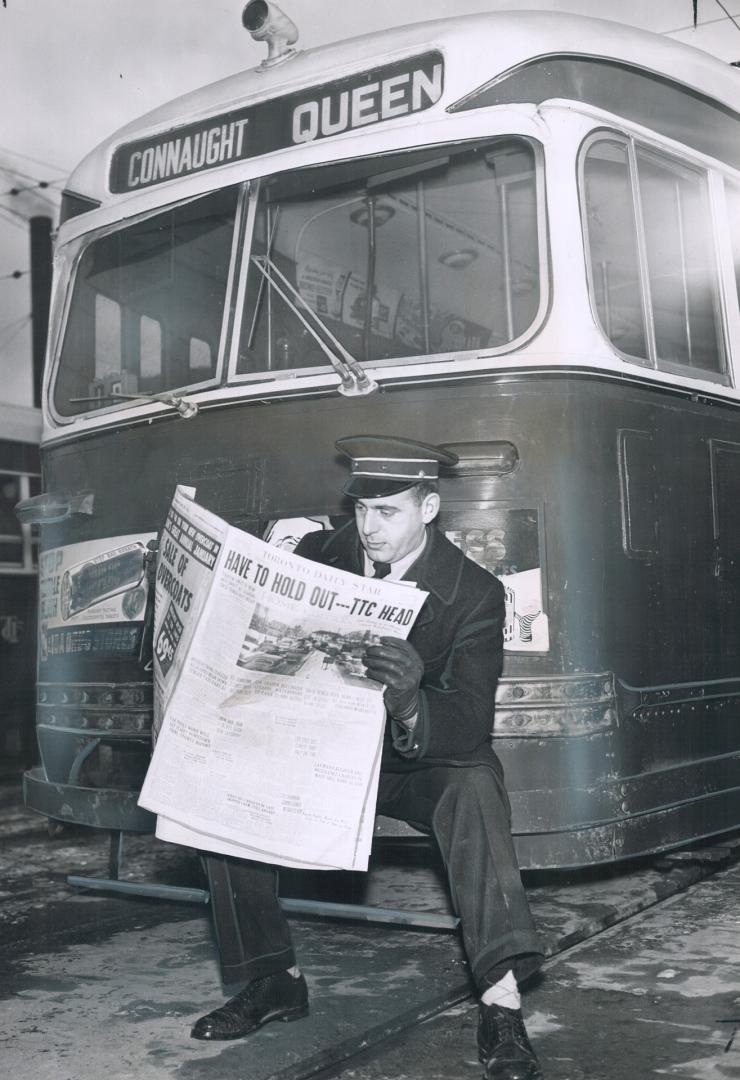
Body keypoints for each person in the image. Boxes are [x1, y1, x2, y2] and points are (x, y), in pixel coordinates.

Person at [192, 435, 545, 1080]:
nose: (368, 527)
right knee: (224, 782)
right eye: (360, 510)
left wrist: (411, 699)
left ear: (429, 508)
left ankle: (501, 1002)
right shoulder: (317, 555)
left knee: (472, 788)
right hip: (316, 744)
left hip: (407, 763)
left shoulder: (474, 593)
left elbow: (468, 724)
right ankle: (275, 980)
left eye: (388, 512)